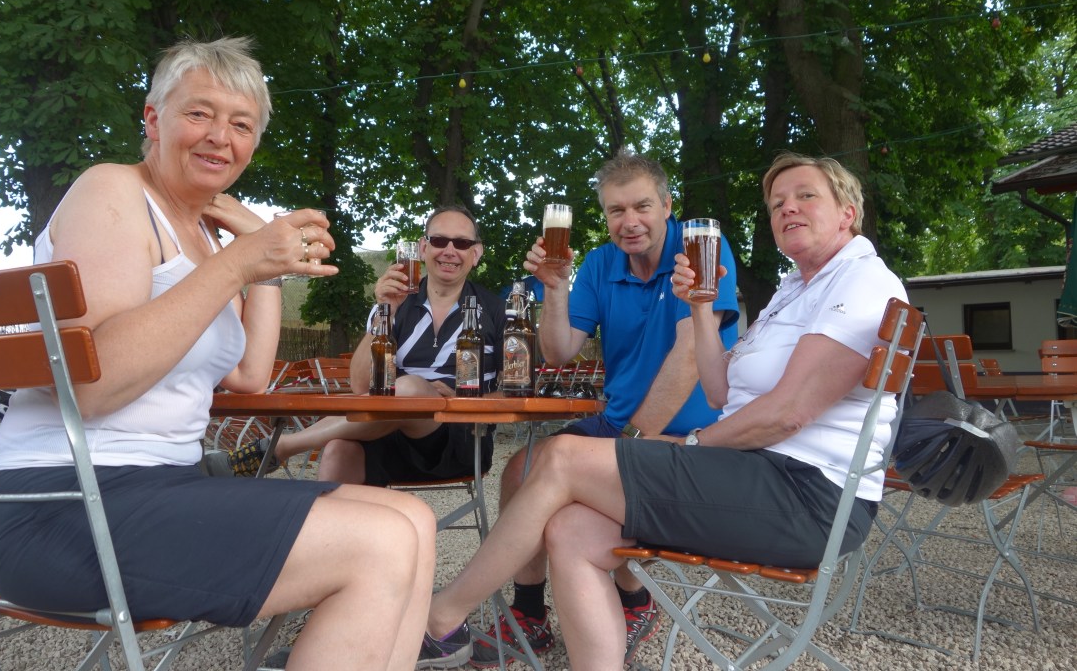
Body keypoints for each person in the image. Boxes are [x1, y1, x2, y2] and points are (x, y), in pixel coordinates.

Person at [0, 37, 436, 671]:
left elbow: (248, 377)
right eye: (200, 113)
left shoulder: (201, 238)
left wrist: (263, 270)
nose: (220, 135)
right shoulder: (111, 192)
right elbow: (93, 385)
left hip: (160, 492)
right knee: (380, 543)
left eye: (240, 124)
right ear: (153, 119)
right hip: (66, 508)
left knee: (414, 520)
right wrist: (240, 262)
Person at [414, 152, 906, 669]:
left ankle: (439, 620)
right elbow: (721, 391)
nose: (788, 208)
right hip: (758, 471)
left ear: (848, 211)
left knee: (559, 458)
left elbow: (784, 415)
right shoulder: (797, 288)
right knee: (570, 529)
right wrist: (697, 307)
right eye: (778, 201)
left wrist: (679, 442)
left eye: (806, 196)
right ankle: (553, 622)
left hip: (808, 497)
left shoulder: (859, 281)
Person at [466, 148, 740, 667]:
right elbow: (557, 351)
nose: (629, 221)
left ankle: (632, 598)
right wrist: (554, 288)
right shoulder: (598, 262)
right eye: (617, 211)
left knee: (576, 479)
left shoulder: (701, 249)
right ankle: (530, 614)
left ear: (666, 204)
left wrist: (626, 444)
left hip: (694, 434)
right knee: (521, 470)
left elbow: (688, 358)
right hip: (616, 423)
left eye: (641, 206)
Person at [228, 205, 504, 486]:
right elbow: (361, 386)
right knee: (338, 449)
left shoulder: (496, 311)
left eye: (461, 243)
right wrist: (385, 312)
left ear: (476, 253)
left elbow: (517, 388)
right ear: (423, 248)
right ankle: (335, 528)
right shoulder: (395, 302)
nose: (449, 250)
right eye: (438, 241)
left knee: (408, 387)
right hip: (388, 436)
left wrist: (456, 401)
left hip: (462, 438)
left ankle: (284, 447)